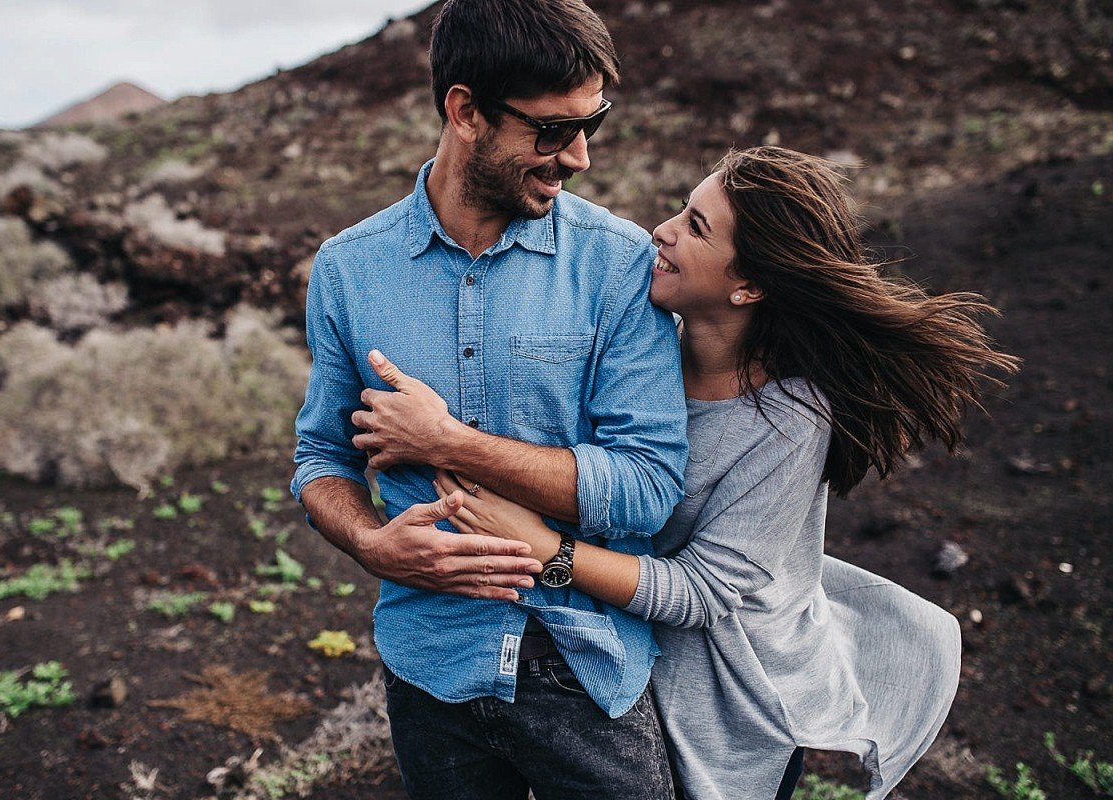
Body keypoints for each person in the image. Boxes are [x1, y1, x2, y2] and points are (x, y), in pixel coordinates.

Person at [408, 147, 1020, 799]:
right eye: (681, 210)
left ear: (748, 286)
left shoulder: (788, 420)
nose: (663, 230)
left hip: (738, 697)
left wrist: (545, 552)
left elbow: (701, 593)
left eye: (696, 226)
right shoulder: (644, 356)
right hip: (633, 669)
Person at [291, 1, 689, 798]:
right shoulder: (348, 270)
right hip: (429, 672)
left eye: (593, 125)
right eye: (551, 130)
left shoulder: (617, 266)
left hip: (589, 673)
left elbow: (647, 488)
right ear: (465, 111)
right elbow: (320, 458)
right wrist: (371, 544)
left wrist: (447, 442)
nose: (577, 156)